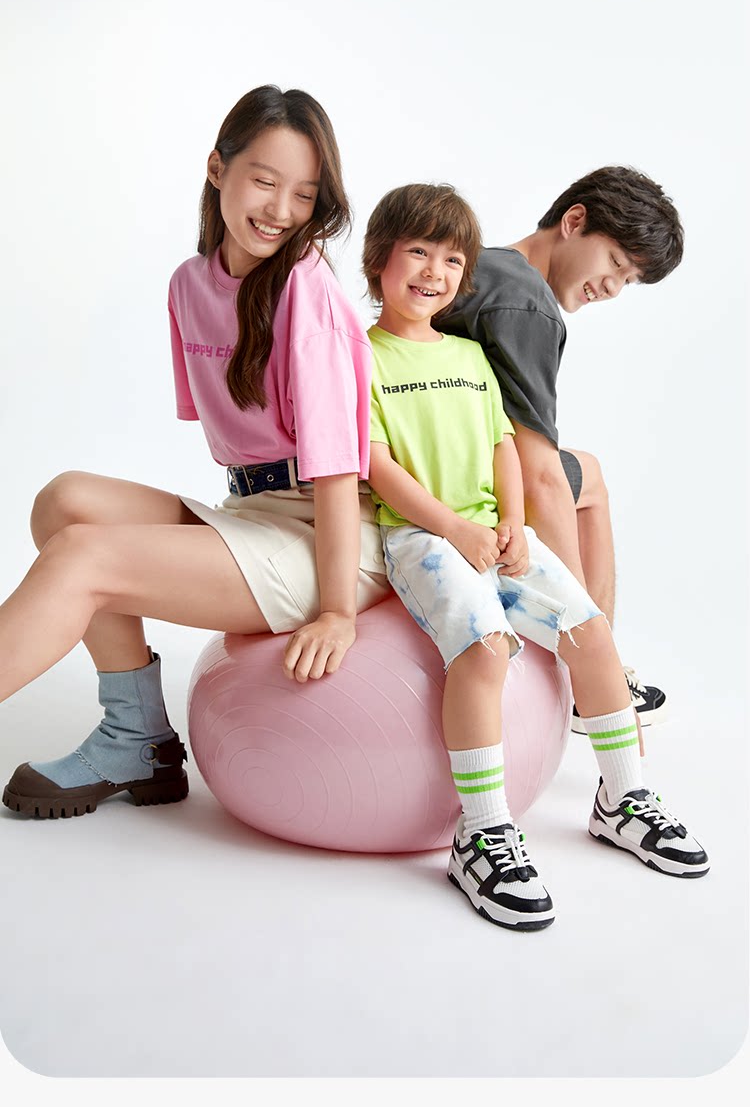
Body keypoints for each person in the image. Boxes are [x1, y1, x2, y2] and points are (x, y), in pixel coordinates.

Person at [1, 85, 388, 819]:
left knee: (84, 557)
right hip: (256, 511)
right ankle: (137, 739)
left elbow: (340, 472)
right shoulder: (189, 284)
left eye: (304, 195)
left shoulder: (307, 291)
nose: (280, 209)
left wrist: (337, 611)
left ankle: (132, 742)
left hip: (331, 535)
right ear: (218, 169)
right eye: (265, 181)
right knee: (64, 502)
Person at [362, 182, 708, 931]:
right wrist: (465, 530)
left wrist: (516, 528)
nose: (613, 287)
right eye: (615, 264)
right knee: (490, 645)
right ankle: (483, 831)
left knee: (590, 624)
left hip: (492, 520)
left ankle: (623, 795)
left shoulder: (472, 331)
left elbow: (504, 447)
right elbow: (399, 463)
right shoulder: (497, 312)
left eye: (449, 259)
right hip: (426, 530)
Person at [437, 167, 683, 733]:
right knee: (583, 479)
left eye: (629, 281)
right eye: (615, 263)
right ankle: (599, 676)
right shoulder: (526, 303)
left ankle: (600, 668)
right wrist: (582, 629)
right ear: (574, 221)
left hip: (424, 460)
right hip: (460, 487)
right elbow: (541, 477)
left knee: (584, 470)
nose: (613, 288)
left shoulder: (482, 264)